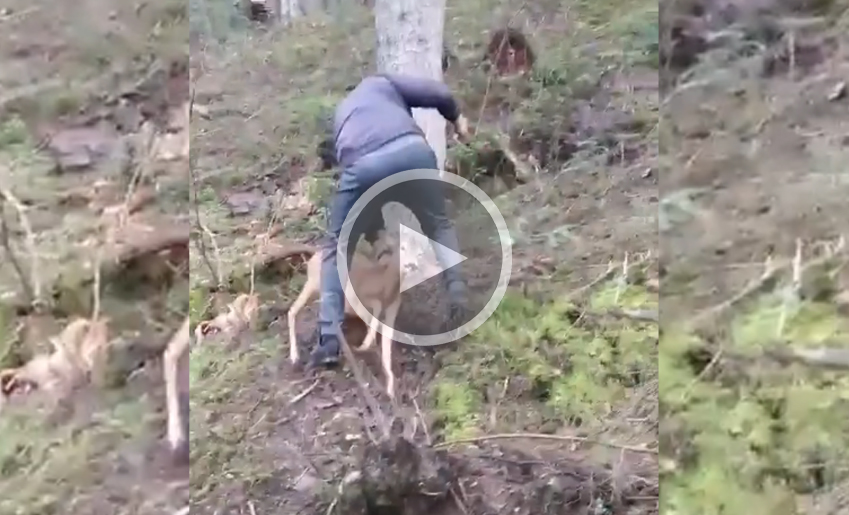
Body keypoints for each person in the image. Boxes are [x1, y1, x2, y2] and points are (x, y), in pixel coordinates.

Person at [309, 73, 471, 368]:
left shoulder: (342, 116)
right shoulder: (381, 83)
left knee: (335, 248)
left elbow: (360, 190)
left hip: (363, 165)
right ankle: (458, 298)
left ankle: (329, 340)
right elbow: (436, 93)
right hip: (412, 153)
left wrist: (375, 232)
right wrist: (457, 118)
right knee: (438, 224)